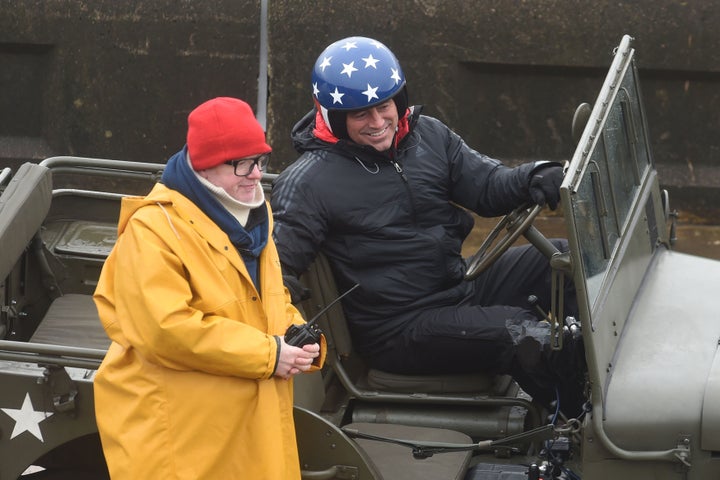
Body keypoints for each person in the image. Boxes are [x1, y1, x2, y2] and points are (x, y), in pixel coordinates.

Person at [271, 37, 586, 417]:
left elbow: (487, 186)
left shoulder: (428, 136)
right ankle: (572, 421)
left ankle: (594, 372)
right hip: (399, 328)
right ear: (335, 117)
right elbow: (277, 266)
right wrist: (285, 322)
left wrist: (536, 176)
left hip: (456, 285)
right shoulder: (307, 183)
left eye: (383, 106)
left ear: (398, 100)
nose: (377, 123)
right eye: (360, 115)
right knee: (522, 333)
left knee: (563, 259)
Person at [93, 97, 324, 479]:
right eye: (242, 164)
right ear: (204, 166)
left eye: (260, 161)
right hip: (183, 439)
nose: (256, 175)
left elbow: (271, 294)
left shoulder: (254, 211)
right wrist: (270, 354)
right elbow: (165, 329)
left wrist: (297, 338)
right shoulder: (152, 229)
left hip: (237, 423)